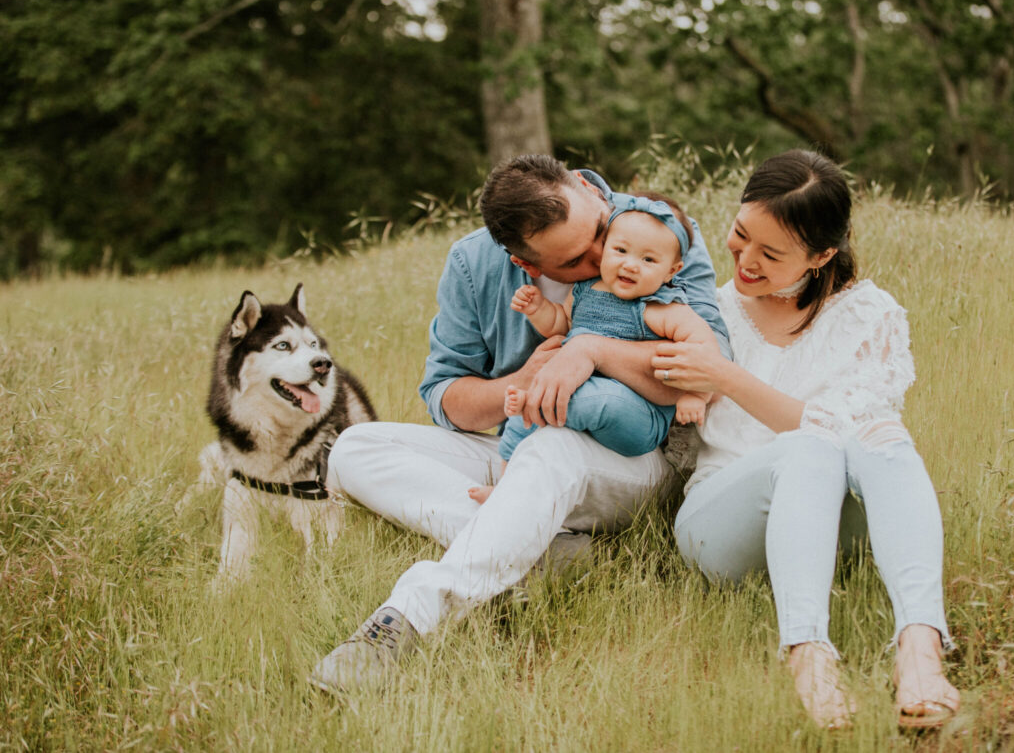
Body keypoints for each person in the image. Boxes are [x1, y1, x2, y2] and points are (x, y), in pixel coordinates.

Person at [308, 155, 730, 694]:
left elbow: (715, 371)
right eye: (576, 259)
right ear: (526, 265)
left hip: (637, 456)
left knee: (554, 445)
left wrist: (590, 351)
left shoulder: (657, 231)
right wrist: (526, 377)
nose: (606, 257)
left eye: (600, 231)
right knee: (356, 446)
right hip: (519, 450)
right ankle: (543, 550)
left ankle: (408, 617)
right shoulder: (471, 264)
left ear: (587, 191)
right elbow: (446, 399)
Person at [651, 149, 961, 730]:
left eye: (771, 254)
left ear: (822, 256)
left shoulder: (871, 316)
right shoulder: (704, 312)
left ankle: (920, 648)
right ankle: (807, 653)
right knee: (808, 445)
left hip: (837, 522)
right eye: (741, 235)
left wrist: (726, 377)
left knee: (880, 431)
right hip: (722, 524)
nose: (745, 260)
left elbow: (846, 432)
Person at [468, 195, 717, 504]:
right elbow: (562, 325)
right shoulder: (586, 290)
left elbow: (706, 353)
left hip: (637, 414)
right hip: (584, 392)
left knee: (573, 400)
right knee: (532, 405)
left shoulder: (663, 308)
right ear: (604, 248)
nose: (630, 264)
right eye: (620, 251)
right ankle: (506, 483)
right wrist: (539, 310)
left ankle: (537, 414)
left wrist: (696, 396)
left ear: (671, 271)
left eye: (648, 260)